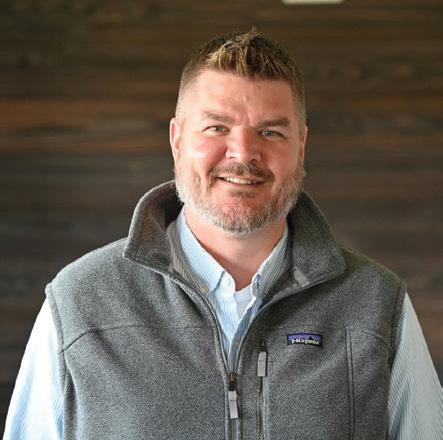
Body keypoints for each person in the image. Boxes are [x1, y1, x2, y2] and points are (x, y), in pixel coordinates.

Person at [3, 29, 442, 440]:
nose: (243, 153)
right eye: (216, 127)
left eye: (270, 131)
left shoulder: (377, 304)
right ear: (177, 139)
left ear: (301, 146)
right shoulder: (79, 303)